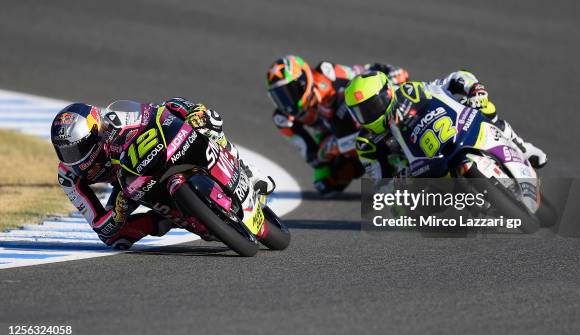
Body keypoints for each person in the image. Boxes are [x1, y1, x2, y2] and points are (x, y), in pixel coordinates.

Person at [51, 98, 273, 250]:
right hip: (126, 186)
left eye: (77, 148)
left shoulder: (114, 120)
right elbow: (99, 224)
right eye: (65, 152)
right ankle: (169, 219)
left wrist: (191, 113)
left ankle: (242, 167)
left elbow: (157, 110)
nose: (74, 157)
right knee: (112, 237)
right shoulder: (68, 176)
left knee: (205, 120)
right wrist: (118, 214)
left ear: (96, 131)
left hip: (148, 156)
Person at [344, 70, 548, 181]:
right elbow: (379, 185)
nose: (368, 115)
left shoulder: (409, 91)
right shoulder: (366, 143)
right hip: (420, 172)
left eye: (371, 106)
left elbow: (452, 80)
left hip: (450, 134)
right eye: (360, 112)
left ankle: (521, 147)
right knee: (400, 211)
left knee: (485, 107)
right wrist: (399, 181)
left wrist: (474, 90)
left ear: (387, 94)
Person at [265, 55, 409, 196]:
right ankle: (379, 163)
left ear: (303, 81)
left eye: (289, 92)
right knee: (325, 182)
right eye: (279, 97)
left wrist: (390, 74)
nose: (287, 103)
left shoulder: (328, 74)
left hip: (364, 118)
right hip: (336, 138)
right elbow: (313, 157)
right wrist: (327, 149)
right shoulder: (284, 119)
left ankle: (398, 148)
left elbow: (363, 76)